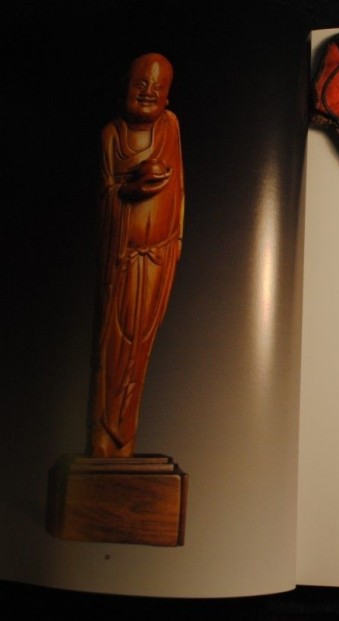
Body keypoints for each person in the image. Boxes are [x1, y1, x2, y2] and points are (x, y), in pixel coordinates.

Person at [89, 53, 184, 457]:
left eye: (157, 87)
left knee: (140, 347)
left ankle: (124, 436)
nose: (148, 92)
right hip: (123, 261)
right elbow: (105, 197)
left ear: (167, 97)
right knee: (113, 344)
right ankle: (104, 433)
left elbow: (178, 194)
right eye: (140, 84)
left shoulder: (170, 127)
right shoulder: (113, 134)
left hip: (158, 259)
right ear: (124, 89)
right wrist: (130, 190)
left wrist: (174, 240)